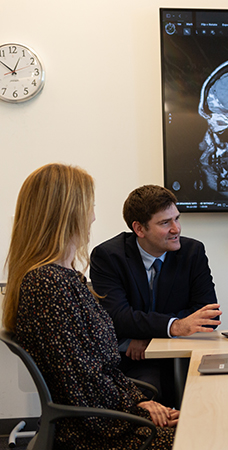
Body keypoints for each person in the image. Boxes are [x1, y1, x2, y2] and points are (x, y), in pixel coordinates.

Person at [2, 164, 177, 449]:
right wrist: (139, 410)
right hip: (93, 433)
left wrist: (140, 402)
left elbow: (96, 373)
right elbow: (81, 383)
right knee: (204, 433)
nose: (93, 216)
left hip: (104, 419)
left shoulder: (61, 279)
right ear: (67, 214)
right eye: (89, 206)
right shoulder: (49, 284)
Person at [90, 185, 221, 406]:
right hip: (133, 359)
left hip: (182, 354)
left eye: (177, 219)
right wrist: (175, 325)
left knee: (214, 396)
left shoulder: (192, 252)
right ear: (139, 229)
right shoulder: (109, 256)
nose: (176, 228)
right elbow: (116, 317)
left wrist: (152, 335)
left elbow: (208, 315)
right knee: (153, 393)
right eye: (165, 223)